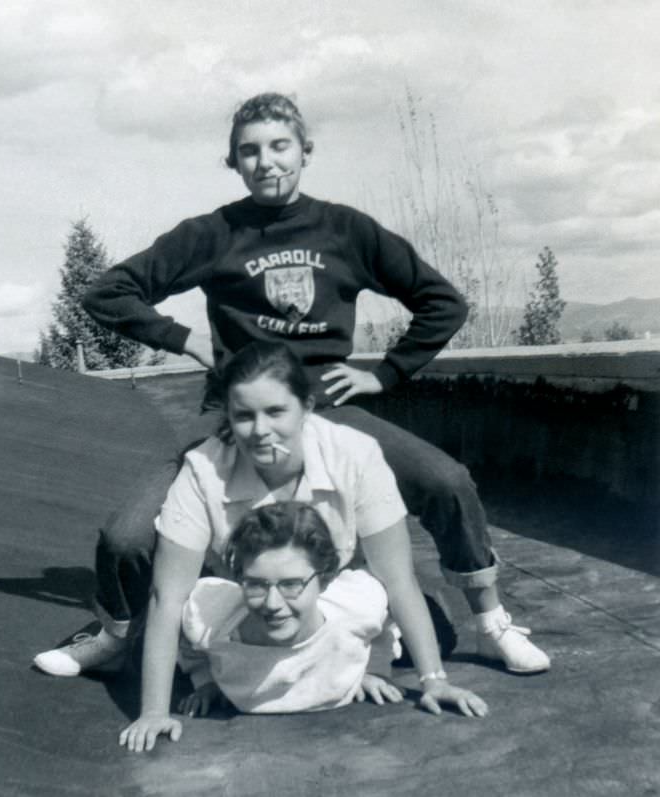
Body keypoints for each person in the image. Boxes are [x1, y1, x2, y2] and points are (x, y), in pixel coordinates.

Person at [33, 92, 549, 678]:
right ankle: (115, 634)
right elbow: (106, 292)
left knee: (447, 481)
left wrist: (385, 373)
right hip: (234, 414)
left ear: (305, 151)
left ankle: (490, 624)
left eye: (280, 146)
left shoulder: (346, 231)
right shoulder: (211, 234)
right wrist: (183, 339)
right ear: (233, 162)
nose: (267, 161)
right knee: (125, 535)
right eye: (249, 151)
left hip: (326, 407)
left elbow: (442, 302)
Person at [119, 343, 488, 753]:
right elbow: (168, 596)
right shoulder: (203, 470)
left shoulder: (355, 454)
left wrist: (433, 680)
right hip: (245, 598)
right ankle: (114, 633)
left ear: (306, 407)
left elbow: (397, 580)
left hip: (330, 591)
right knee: (146, 656)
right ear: (228, 416)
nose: (260, 430)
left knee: (436, 637)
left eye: (276, 411)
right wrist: (154, 710)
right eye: (244, 415)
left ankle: (345, 655)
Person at [175, 502, 440, 718]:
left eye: (291, 585)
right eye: (255, 585)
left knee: (442, 633)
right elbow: (185, 633)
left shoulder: (356, 605)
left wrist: (373, 668)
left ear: (324, 581)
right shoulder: (211, 616)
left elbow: (385, 611)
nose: (272, 604)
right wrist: (204, 680)